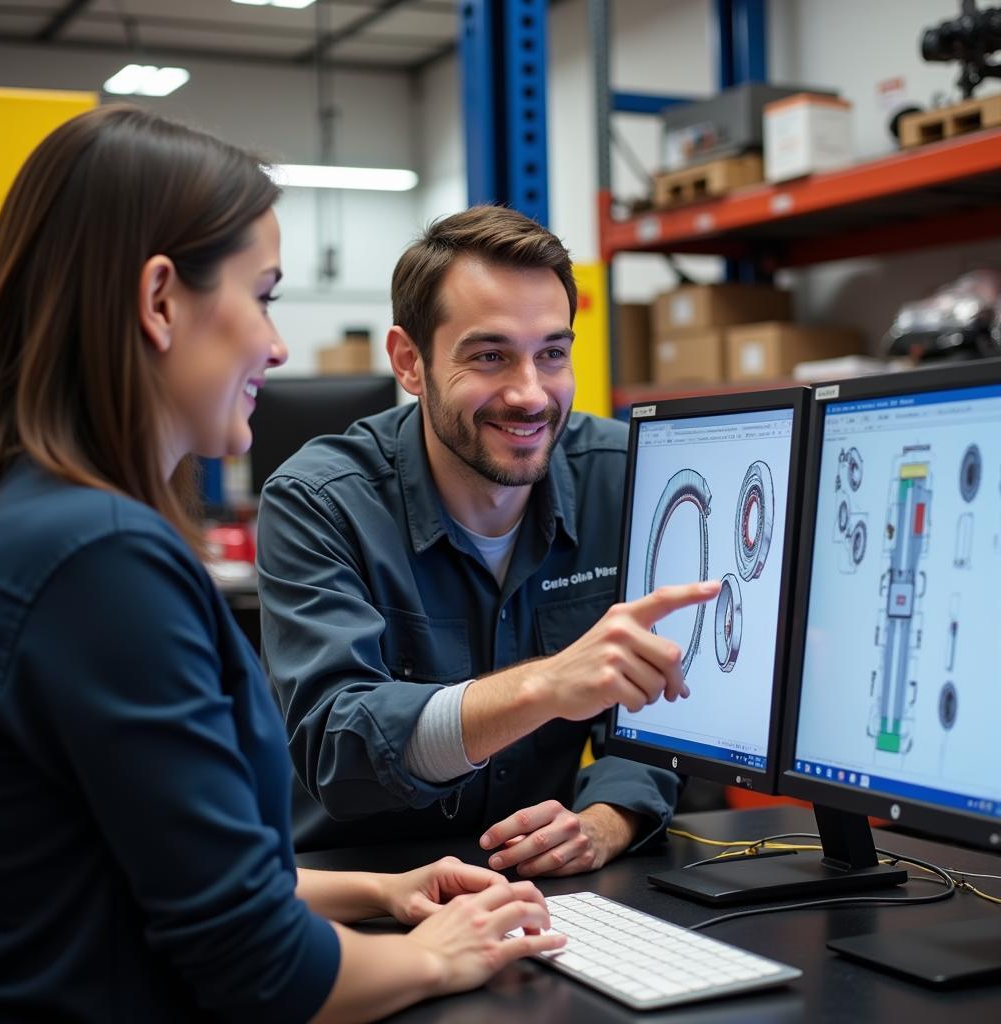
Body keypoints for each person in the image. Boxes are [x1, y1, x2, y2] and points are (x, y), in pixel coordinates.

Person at [0, 107, 564, 1023]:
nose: (279, 345)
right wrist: (442, 959)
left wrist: (380, 892)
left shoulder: (39, 522)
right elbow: (260, 969)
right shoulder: (100, 564)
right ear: (161, 299)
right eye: (265, 295)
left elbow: (170, 876)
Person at [257, 205, 718, 873]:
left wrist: (607, 821)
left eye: (552, 354)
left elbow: (659, 716)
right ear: (409, 362)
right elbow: (338, 743)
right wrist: (546, 687)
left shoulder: (627, 477)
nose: (530, 394)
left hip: (544, 891)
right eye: (490, 356)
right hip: (366, 891)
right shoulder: (319, 502)